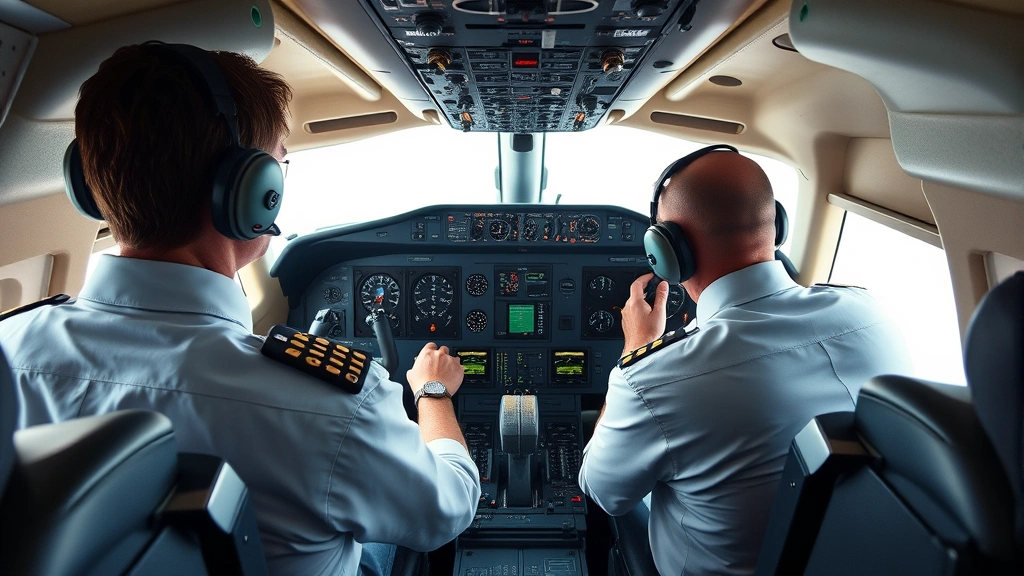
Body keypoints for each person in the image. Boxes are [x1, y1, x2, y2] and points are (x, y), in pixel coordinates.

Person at [0, 44, 479, 575]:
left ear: (89, 186)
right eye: (281, 164)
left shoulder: (8, 349)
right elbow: (446, 510)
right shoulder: (334, 406)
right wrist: (433, 394)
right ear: (253, 193)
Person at [577, 147, 911, 576]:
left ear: (668, 251)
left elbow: (603, 493)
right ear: (777, 225)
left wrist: (635, 352)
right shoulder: (871, 312)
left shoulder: (653, 378)